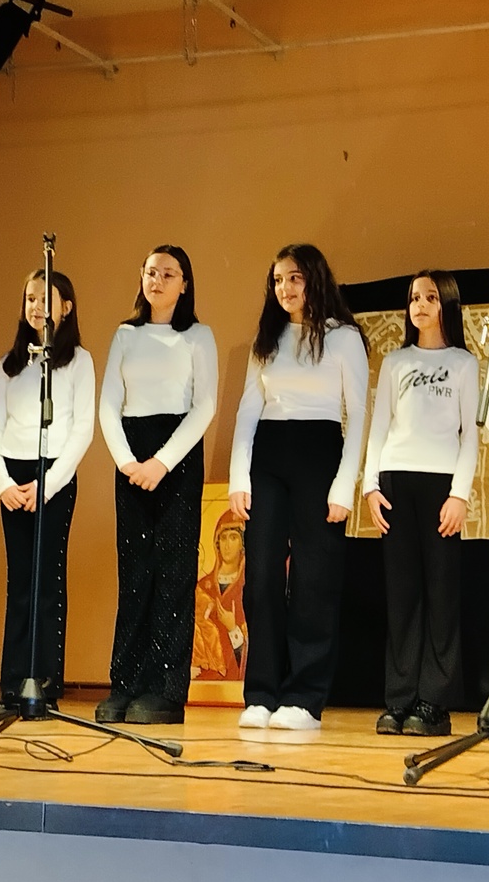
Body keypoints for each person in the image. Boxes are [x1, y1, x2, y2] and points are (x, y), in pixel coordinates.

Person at [229, 243, 368, 731]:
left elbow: (359, 413)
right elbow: (248, 410)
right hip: (268, 456)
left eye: (294, 278)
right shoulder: (266, 338)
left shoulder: (343, 338)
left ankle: (304, 697)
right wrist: (239, 476)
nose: (284, 288)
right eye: (277, 280)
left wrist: (344, 485)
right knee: (262, 575)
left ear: (314, 279)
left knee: (313, 578)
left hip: (319, 453)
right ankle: (261, 692)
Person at [96, 245, 218, 725]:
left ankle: (165, 690)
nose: (158, 280)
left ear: (185, 284)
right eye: (151, 272)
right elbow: (109, 404)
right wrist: (128, 461)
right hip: (132, 455)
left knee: (172, 574)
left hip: (177, 456)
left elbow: (205, 406)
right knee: (135, 574)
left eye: (169, 273)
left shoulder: (198, 336)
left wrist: (161, 463)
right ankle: (124, 684)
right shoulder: (125, 335)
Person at [362, 269, 479, 737]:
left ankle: (435, 701)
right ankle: (400, 699)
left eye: (430, 297)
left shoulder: (464, 364)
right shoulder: (395, 362)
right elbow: (379, 427)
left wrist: (459, 494)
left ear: (446, 303)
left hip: (441, 485)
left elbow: (470, 435)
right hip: (396, 480)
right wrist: (371, 486)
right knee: (402, 595)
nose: (420, 305)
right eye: (414, 298)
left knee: (441, 595)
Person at [0, 269, 94, 713]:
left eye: (45, 299)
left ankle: (45, 682)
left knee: (46, 581)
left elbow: (83, 429)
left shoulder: (78, 361)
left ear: (66, 307)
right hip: (13, 477)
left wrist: (47, 486)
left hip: (54, 476)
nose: (36, 307)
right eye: (30, 298)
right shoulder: (9, 364)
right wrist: (3, 483)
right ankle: (13, 684)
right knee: (20, 583)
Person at [191, 510, 248, 681]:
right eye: (223, 538)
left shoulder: (249, 585)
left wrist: (233, 629)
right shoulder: (203, 587)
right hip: (205, 678)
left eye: (233, 538)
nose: (227, 545)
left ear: (242, 544)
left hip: (237, 680)